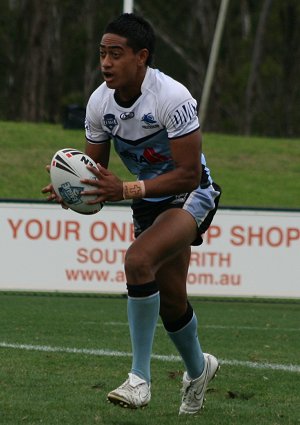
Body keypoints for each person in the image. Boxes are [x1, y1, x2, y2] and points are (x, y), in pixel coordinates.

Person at [43, 12, 221, 415]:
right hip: (149, 200)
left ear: (141, 57)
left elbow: (189, 174)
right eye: (102, 53)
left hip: (192, 193)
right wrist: (73, 191)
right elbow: (96, 177)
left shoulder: (172, 97)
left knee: (137, 260)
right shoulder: (98, 103)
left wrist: (126, 189)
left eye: (116, 54)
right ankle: (199, 369)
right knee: (172, 301)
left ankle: (139, 379)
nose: (105, 62)